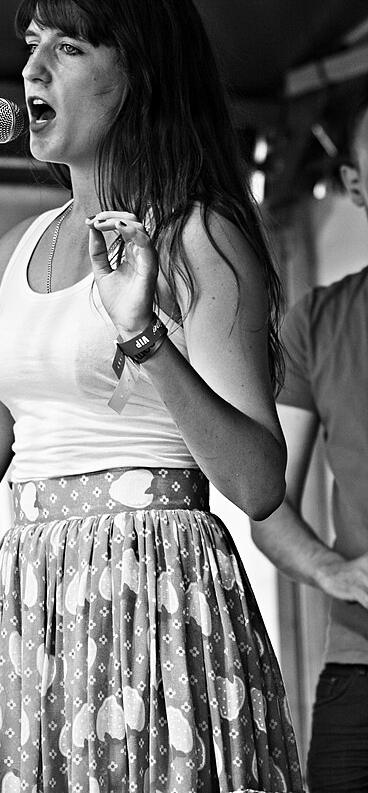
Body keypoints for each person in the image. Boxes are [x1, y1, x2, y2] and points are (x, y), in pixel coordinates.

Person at [0, 0, 303, 792]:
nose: (30, 68)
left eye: (68, 47)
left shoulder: (198, 237)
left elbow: (258, 481)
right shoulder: (12, 254)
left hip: (159, 592)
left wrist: (145, 338)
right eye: (30, 45)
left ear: (139, 73)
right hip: (36, 599)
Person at [251, 97, 368, 792]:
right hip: (359, 668)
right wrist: (333, 570)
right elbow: (268, 503)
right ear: (355, 186)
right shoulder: (318, 323)